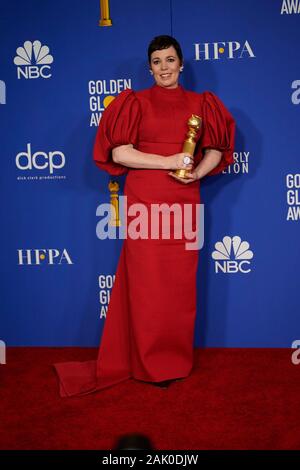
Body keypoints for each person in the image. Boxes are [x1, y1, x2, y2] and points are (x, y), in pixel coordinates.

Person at [54, 35, 235, 396]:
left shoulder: (203, 103)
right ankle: (146, 362)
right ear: (149, 66)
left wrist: (198, 172)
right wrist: (168, 161)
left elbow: (216, 148)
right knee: (147, 284)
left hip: (184, 198)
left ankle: (174, 361)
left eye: (170, 60)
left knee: (179, 286)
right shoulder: (133, 102)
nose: (164, 67)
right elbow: (120, 154)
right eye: (157, 61)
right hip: (145, 200)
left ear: (182, 64)